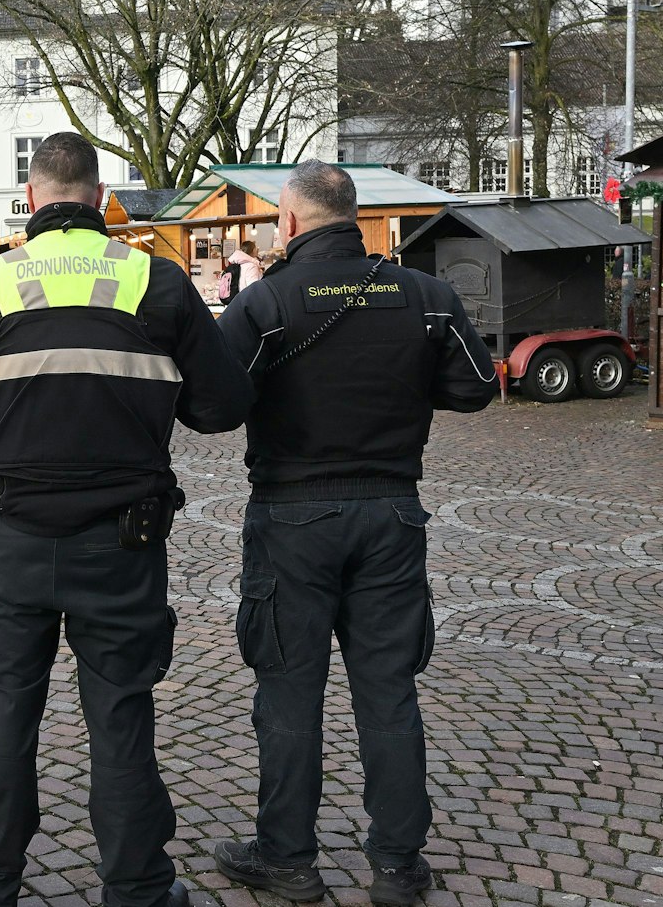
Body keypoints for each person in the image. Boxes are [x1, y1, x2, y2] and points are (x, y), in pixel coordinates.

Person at [0, 131, 253, 907]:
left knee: (5, 709)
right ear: (99, 198)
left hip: (9, 541)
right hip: (122, 544)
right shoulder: (154, 283)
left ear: (31, 200)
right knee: (121, 716)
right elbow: (224, 406)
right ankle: (137, 885)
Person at [208, 161, 496, 906]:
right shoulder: (425, 297)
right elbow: (474, 386)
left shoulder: (267, 299)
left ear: (293, 222)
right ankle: (398, 866)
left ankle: (288, 859)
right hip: (392, 512)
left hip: (292, 515)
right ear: (355, 216)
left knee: (289, 690)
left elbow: (211, 402)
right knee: (388, 689)